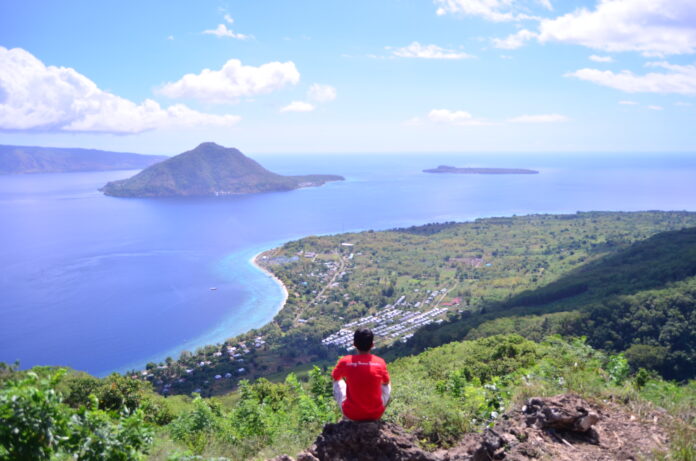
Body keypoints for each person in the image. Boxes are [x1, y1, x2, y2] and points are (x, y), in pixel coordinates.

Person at [331, 328, 391, 421]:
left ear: (354, 344)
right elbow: (386, 382)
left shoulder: (345, 361)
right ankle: (374, 408)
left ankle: (348, 414)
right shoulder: (380, 362)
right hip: (375, 414)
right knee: (387, 384)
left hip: (352, 414)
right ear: (372, 345)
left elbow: (335, 377)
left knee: (337, 381)